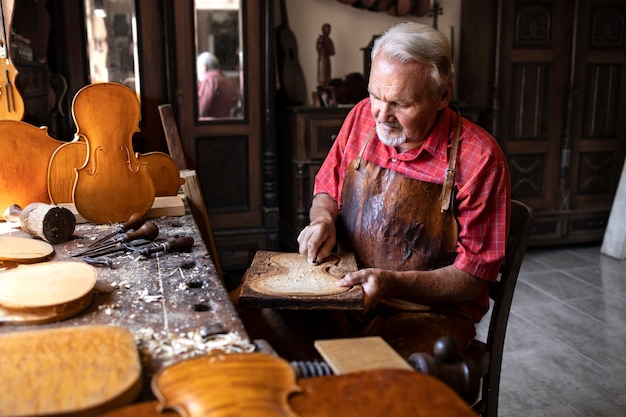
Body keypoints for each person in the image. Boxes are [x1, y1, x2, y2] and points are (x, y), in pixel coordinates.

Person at [235, 22, 511, 361]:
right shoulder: (361, 119)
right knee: (245, 321)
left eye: (401, 103)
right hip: (344, 293)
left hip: (425, 313)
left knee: (376, 387)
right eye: (375, 95)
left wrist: (391, 283)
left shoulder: (480, 158)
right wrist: (322, 220)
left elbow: (471, 277)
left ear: (443, 95)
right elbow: (327, 187)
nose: (382, 115)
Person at [196, 51, 240, 118]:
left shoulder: (209, 80)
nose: (197, 71)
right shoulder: (228, 80)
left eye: (197, 68)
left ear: (203, 67)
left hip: (212, 125)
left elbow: (201, 110)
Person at [316, 23, 335, 88]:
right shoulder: (321, 39)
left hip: (327, 59)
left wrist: (328, 48)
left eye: (329, 29)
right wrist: (322, 43)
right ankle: (322, 88)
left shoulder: (329, 40)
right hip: (322, 59)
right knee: (322, 75)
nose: (328, 31)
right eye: (326, 29)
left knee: (327, 76)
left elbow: (332, 51)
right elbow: (318, 48)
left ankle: (326, 86)